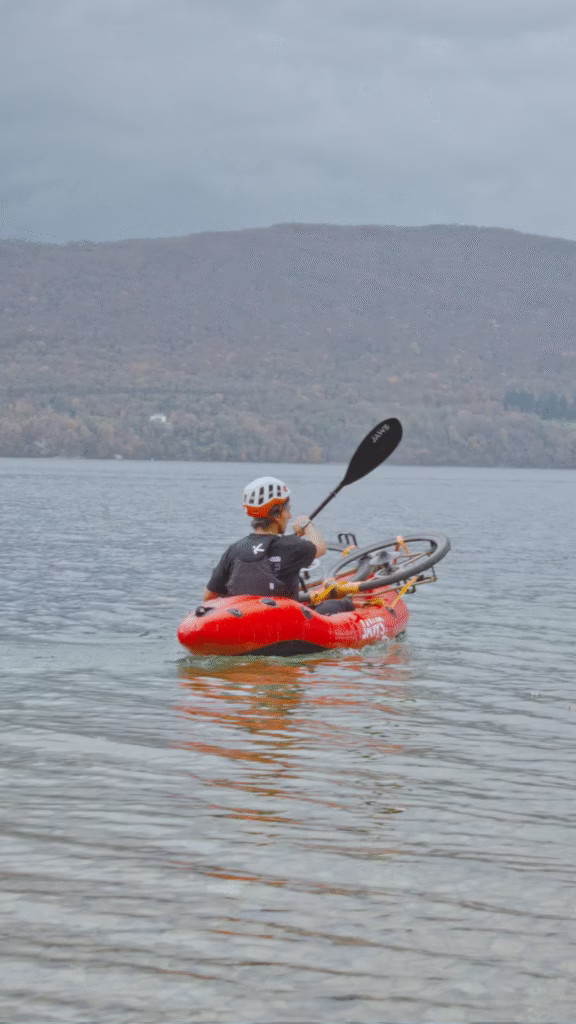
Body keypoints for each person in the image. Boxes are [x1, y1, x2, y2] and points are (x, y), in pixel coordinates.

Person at [203, 476, 354, 615]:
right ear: (276, 515)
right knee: (341, 603)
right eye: (288, 510)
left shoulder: (235, 549)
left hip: (243, 618)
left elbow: (209, 596)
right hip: (284, 620)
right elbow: (320, 547)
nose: (290, 516)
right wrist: (307, 524)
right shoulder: (292, 546)